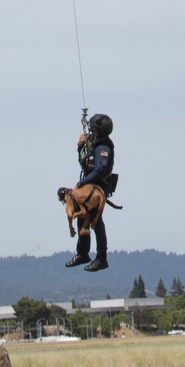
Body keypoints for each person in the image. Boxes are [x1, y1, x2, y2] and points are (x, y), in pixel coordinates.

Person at [65, 113, 116, 272]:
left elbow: (100, 169)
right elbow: (83, 161)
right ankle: (83, 253)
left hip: (97, 189)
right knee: (82, 218)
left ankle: (101, 258)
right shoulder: (93, 144)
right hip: (89, 186)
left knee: (95, 222)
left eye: (93, 129)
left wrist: (84, 182)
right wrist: (80, 146)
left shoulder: (103, 147)